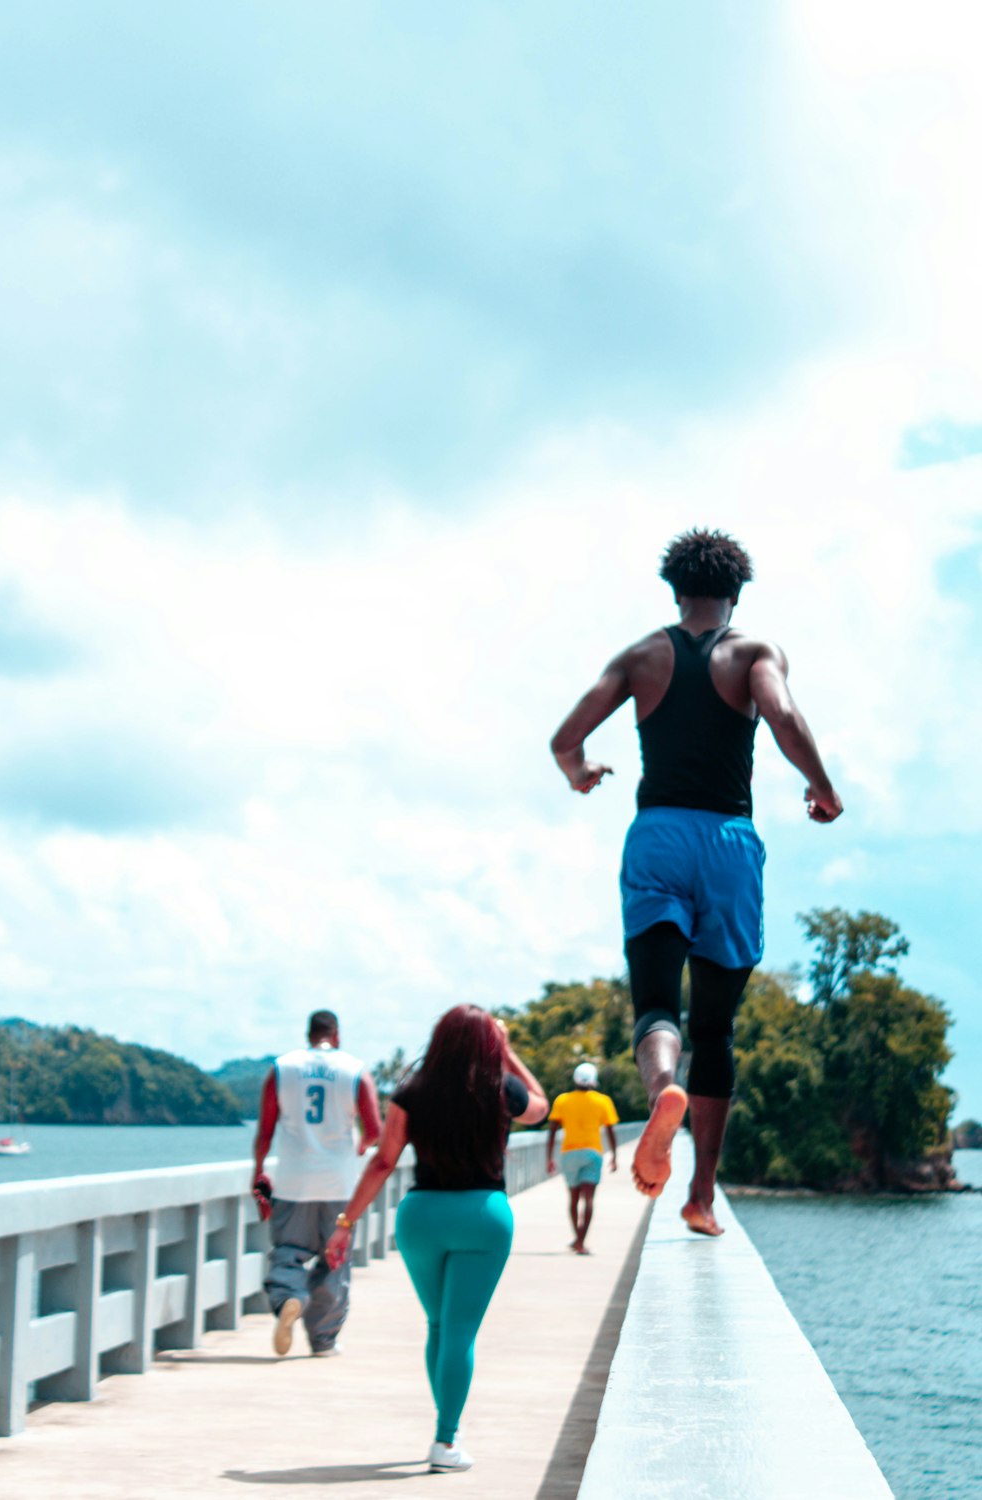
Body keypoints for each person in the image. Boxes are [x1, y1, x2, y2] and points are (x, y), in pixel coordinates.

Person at [550, 528, 843, 1236]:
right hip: (728, 842)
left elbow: (565, 739)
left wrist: (581, 774)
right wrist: (821, 786)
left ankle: (662, 1089)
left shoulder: (641, 655)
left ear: (675, 591)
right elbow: (781, 714)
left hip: (657, 836)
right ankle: (700, 1197)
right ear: (734, 594)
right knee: (716, 1026)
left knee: (656, 1004)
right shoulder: (752, 652)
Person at [325, 1005, 547, 1475]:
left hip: (422, 1218)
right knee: (460, 1331)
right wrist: (507, 1054)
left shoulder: (412, 1091)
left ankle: (449, 1426)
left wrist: (346, 1224)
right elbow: (541, 1107)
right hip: (483, 1218)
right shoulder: (500, 1088)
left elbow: (383, 1161)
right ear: (489, 1044)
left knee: (439, 1326)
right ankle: (445, 1439)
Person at [252, 1009, 382, 1356]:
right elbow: (374, 1130)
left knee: (289, 1252)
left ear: (308, 1034)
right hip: (339, 1183)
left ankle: (290, 1296)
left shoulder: (282, 1068)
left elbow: (265, 1130)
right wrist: (356, 1149)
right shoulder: (355, 1070)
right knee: (334, 1259)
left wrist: (259, 1170)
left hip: (293, 1181)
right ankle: (324, 1340)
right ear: (336, 1035)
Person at [546, 1063, 619, 1254]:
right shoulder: (603, 1101)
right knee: (589, 1199)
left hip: (569, 1153)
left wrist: (549, 1158)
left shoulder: (562, 1100)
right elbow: (611, 1130)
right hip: (593, 1153)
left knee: (573, 1198)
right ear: (594, 1081)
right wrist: (614, 1156)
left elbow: (552, 1130)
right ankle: (580, 1242)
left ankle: (577, 1238)